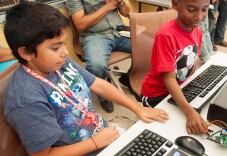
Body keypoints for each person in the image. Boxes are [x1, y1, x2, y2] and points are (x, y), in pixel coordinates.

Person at [3, 2, 169, 155]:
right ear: (26, 53)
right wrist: (95, 142)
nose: (65, 53)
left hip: (102, 134)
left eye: (64, 43)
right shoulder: (26, 99)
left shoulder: (58, 63)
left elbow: (98, 84)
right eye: (55, 47)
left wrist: (137, 108)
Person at [140, 0, 209, 135]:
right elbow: (169, 78)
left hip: (180, 88)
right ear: (176, 5)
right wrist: (189, 111)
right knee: (173, 131)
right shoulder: (166, 35)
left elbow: (192, 64)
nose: (199, 17)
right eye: (191, 9)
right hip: (156, 94)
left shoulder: (198, 32)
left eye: (204, 9)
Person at [66, 0, 131, 113]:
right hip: (96, 36)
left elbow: (127, 13)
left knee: (150, 46)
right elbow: (80, 24)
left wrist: (121, 4)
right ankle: (103, 95)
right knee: (96, 65)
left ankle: (129, 77)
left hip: (119, 31)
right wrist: (107, 7)